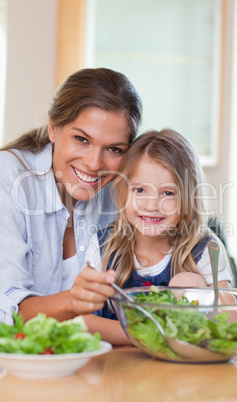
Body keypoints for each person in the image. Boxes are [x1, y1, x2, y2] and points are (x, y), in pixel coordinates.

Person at [0, 67, 142, 344]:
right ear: (53, 129)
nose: (93, 163)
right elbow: (8, 313)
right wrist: (73, 301)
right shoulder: (8, 179)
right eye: (82, 139)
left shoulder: (121, 191)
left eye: (114, 149)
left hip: (93, 366)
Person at [85, 129, 233, 326]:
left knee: (187, 283)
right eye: (139, 190)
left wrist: (199, 301)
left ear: (189, 198)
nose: (151, 205)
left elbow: (231, 321)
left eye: (168, 193)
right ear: (123, 192)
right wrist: (148, 336)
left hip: (179, 355)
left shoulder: (204, 250)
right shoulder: (103, 246)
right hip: (116, 356)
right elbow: (85, 321)